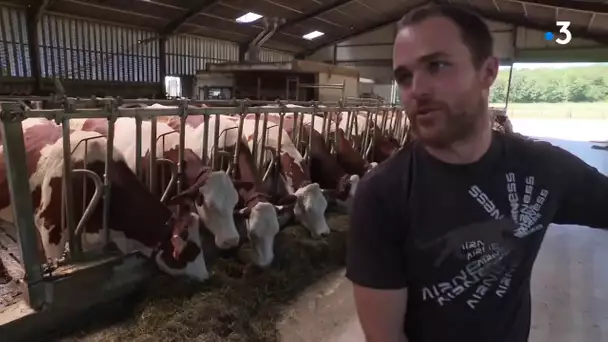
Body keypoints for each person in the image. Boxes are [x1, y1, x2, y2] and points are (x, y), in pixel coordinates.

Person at [346, 4, 608, 342]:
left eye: (437, 65)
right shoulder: (382, 194)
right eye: (405, 77)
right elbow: (385, 337)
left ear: (488, 72)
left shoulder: (543, 168)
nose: (417, 90)